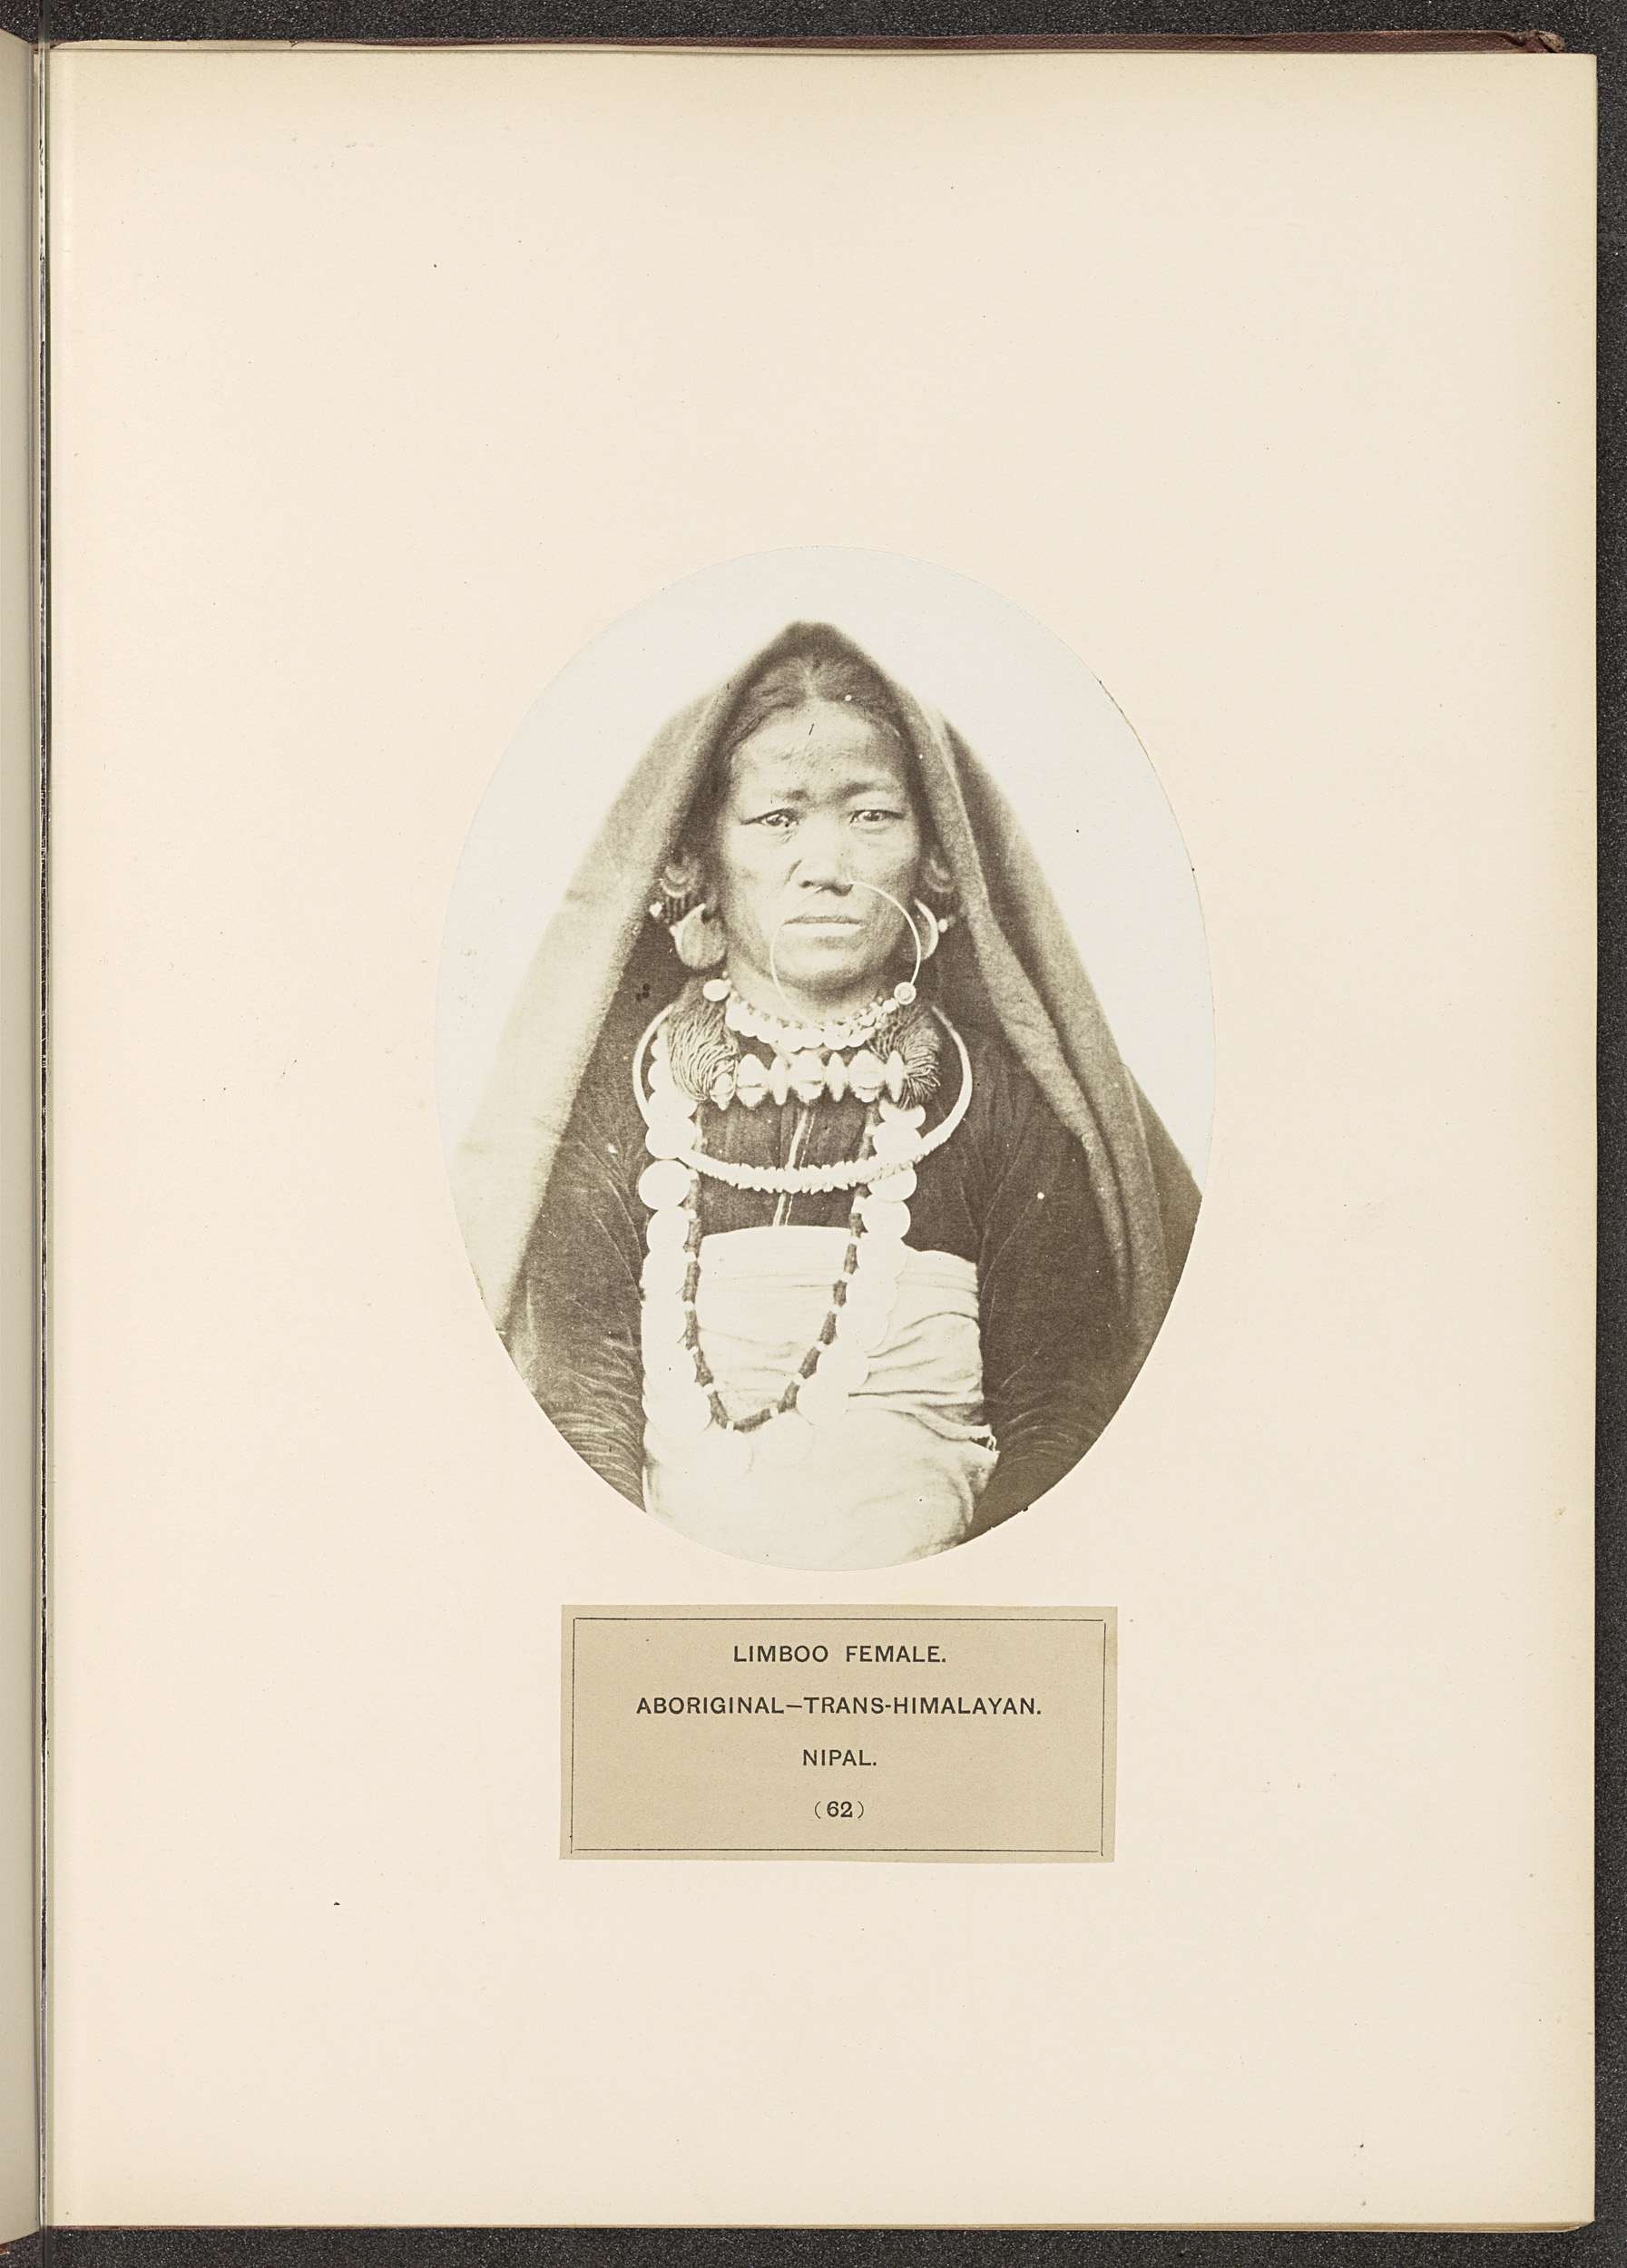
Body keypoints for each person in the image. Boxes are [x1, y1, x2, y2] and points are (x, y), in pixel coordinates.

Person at [455, 621, 1199, 1569]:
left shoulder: (995, 1100)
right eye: (776, 819)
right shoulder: (627, 1093)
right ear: (693, 860)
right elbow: (577, 1385)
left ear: (937, 857)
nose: (826, 866)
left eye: (871, 815)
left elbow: (1060, 1408)